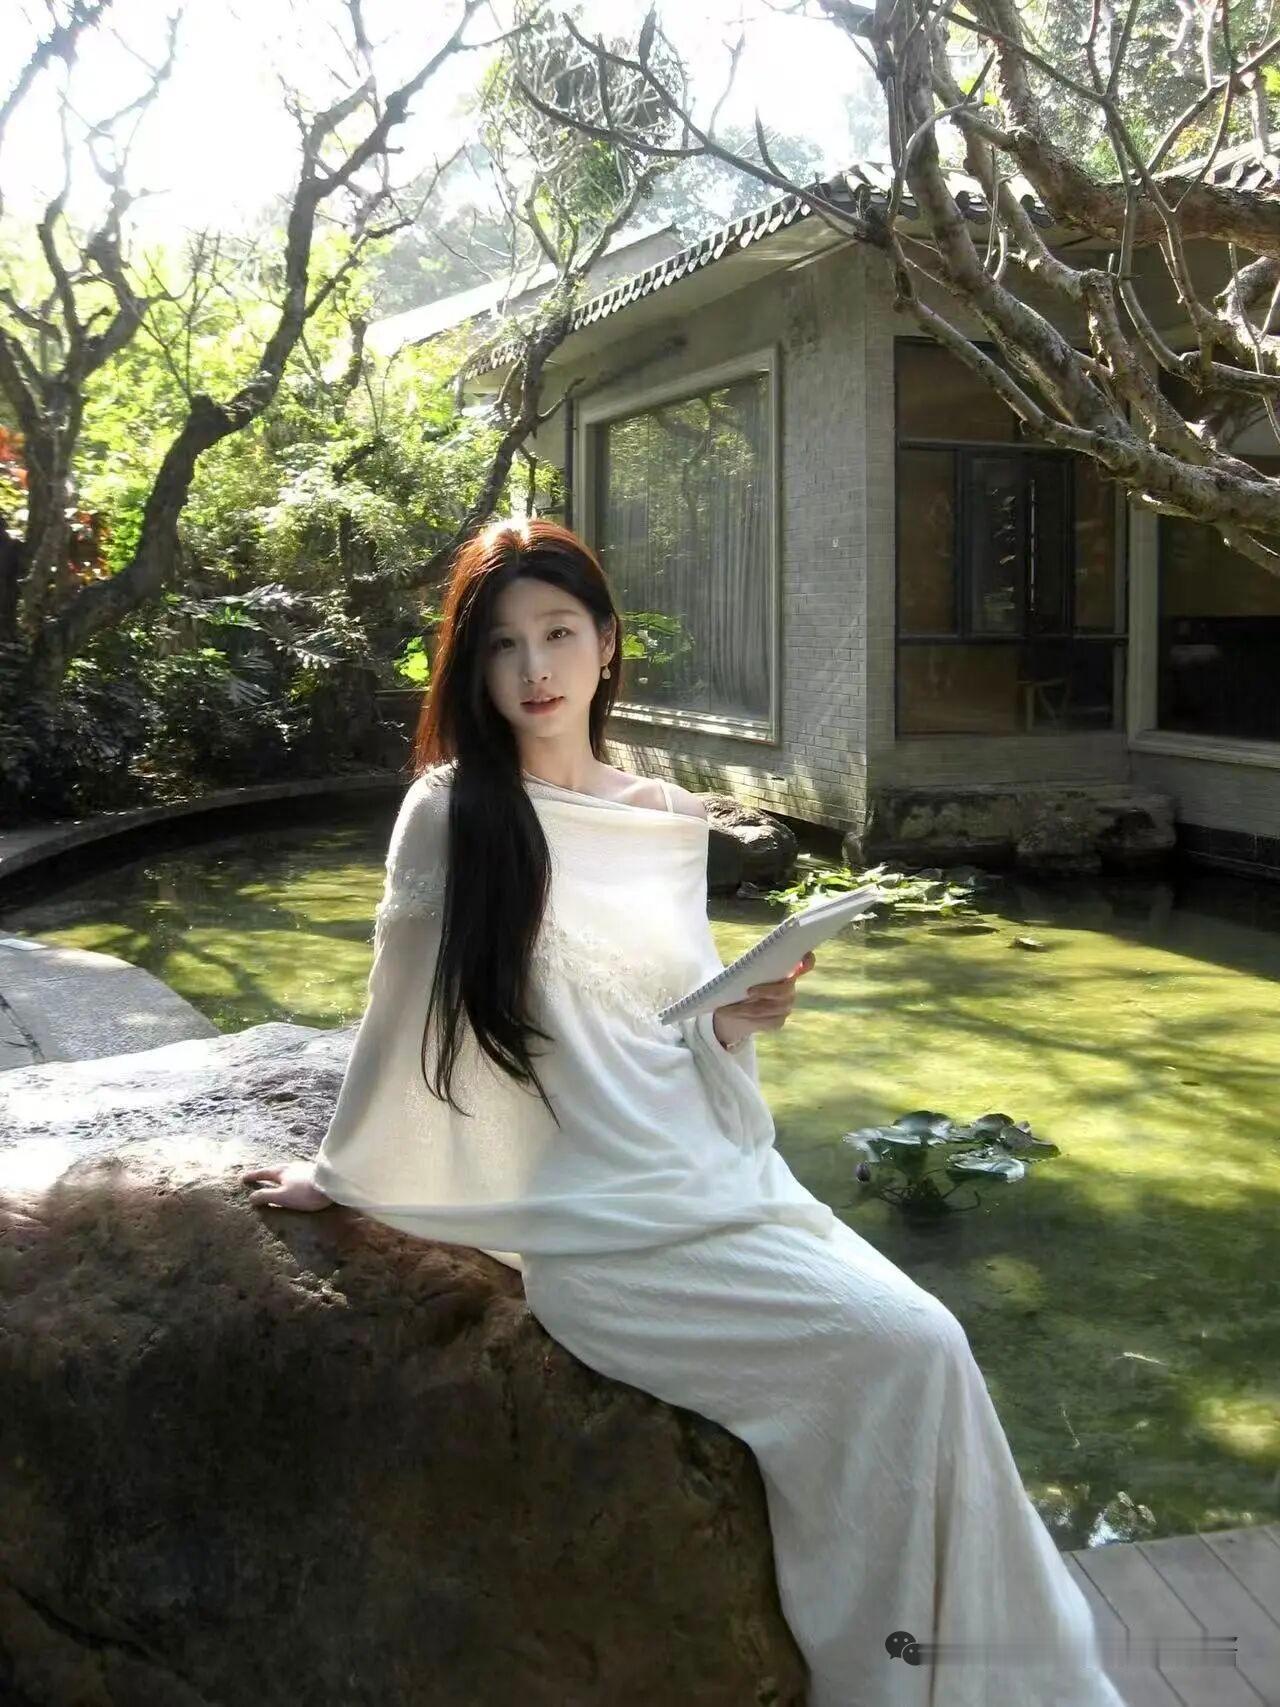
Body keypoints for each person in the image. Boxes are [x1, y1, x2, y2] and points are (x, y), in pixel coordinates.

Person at [242, 517, 1128, 1707]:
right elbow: (399, 1013)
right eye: (500, 644)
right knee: (906, 1348)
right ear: (471, 664)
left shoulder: (661, 813)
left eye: (558, 633)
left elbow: (674, 1021)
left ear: (606, 643)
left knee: (930, 1344)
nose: (533, 669)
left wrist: (735, 1019)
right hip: (599, 1220)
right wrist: (342, 1172)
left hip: (711, 1174)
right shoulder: (451, 812)